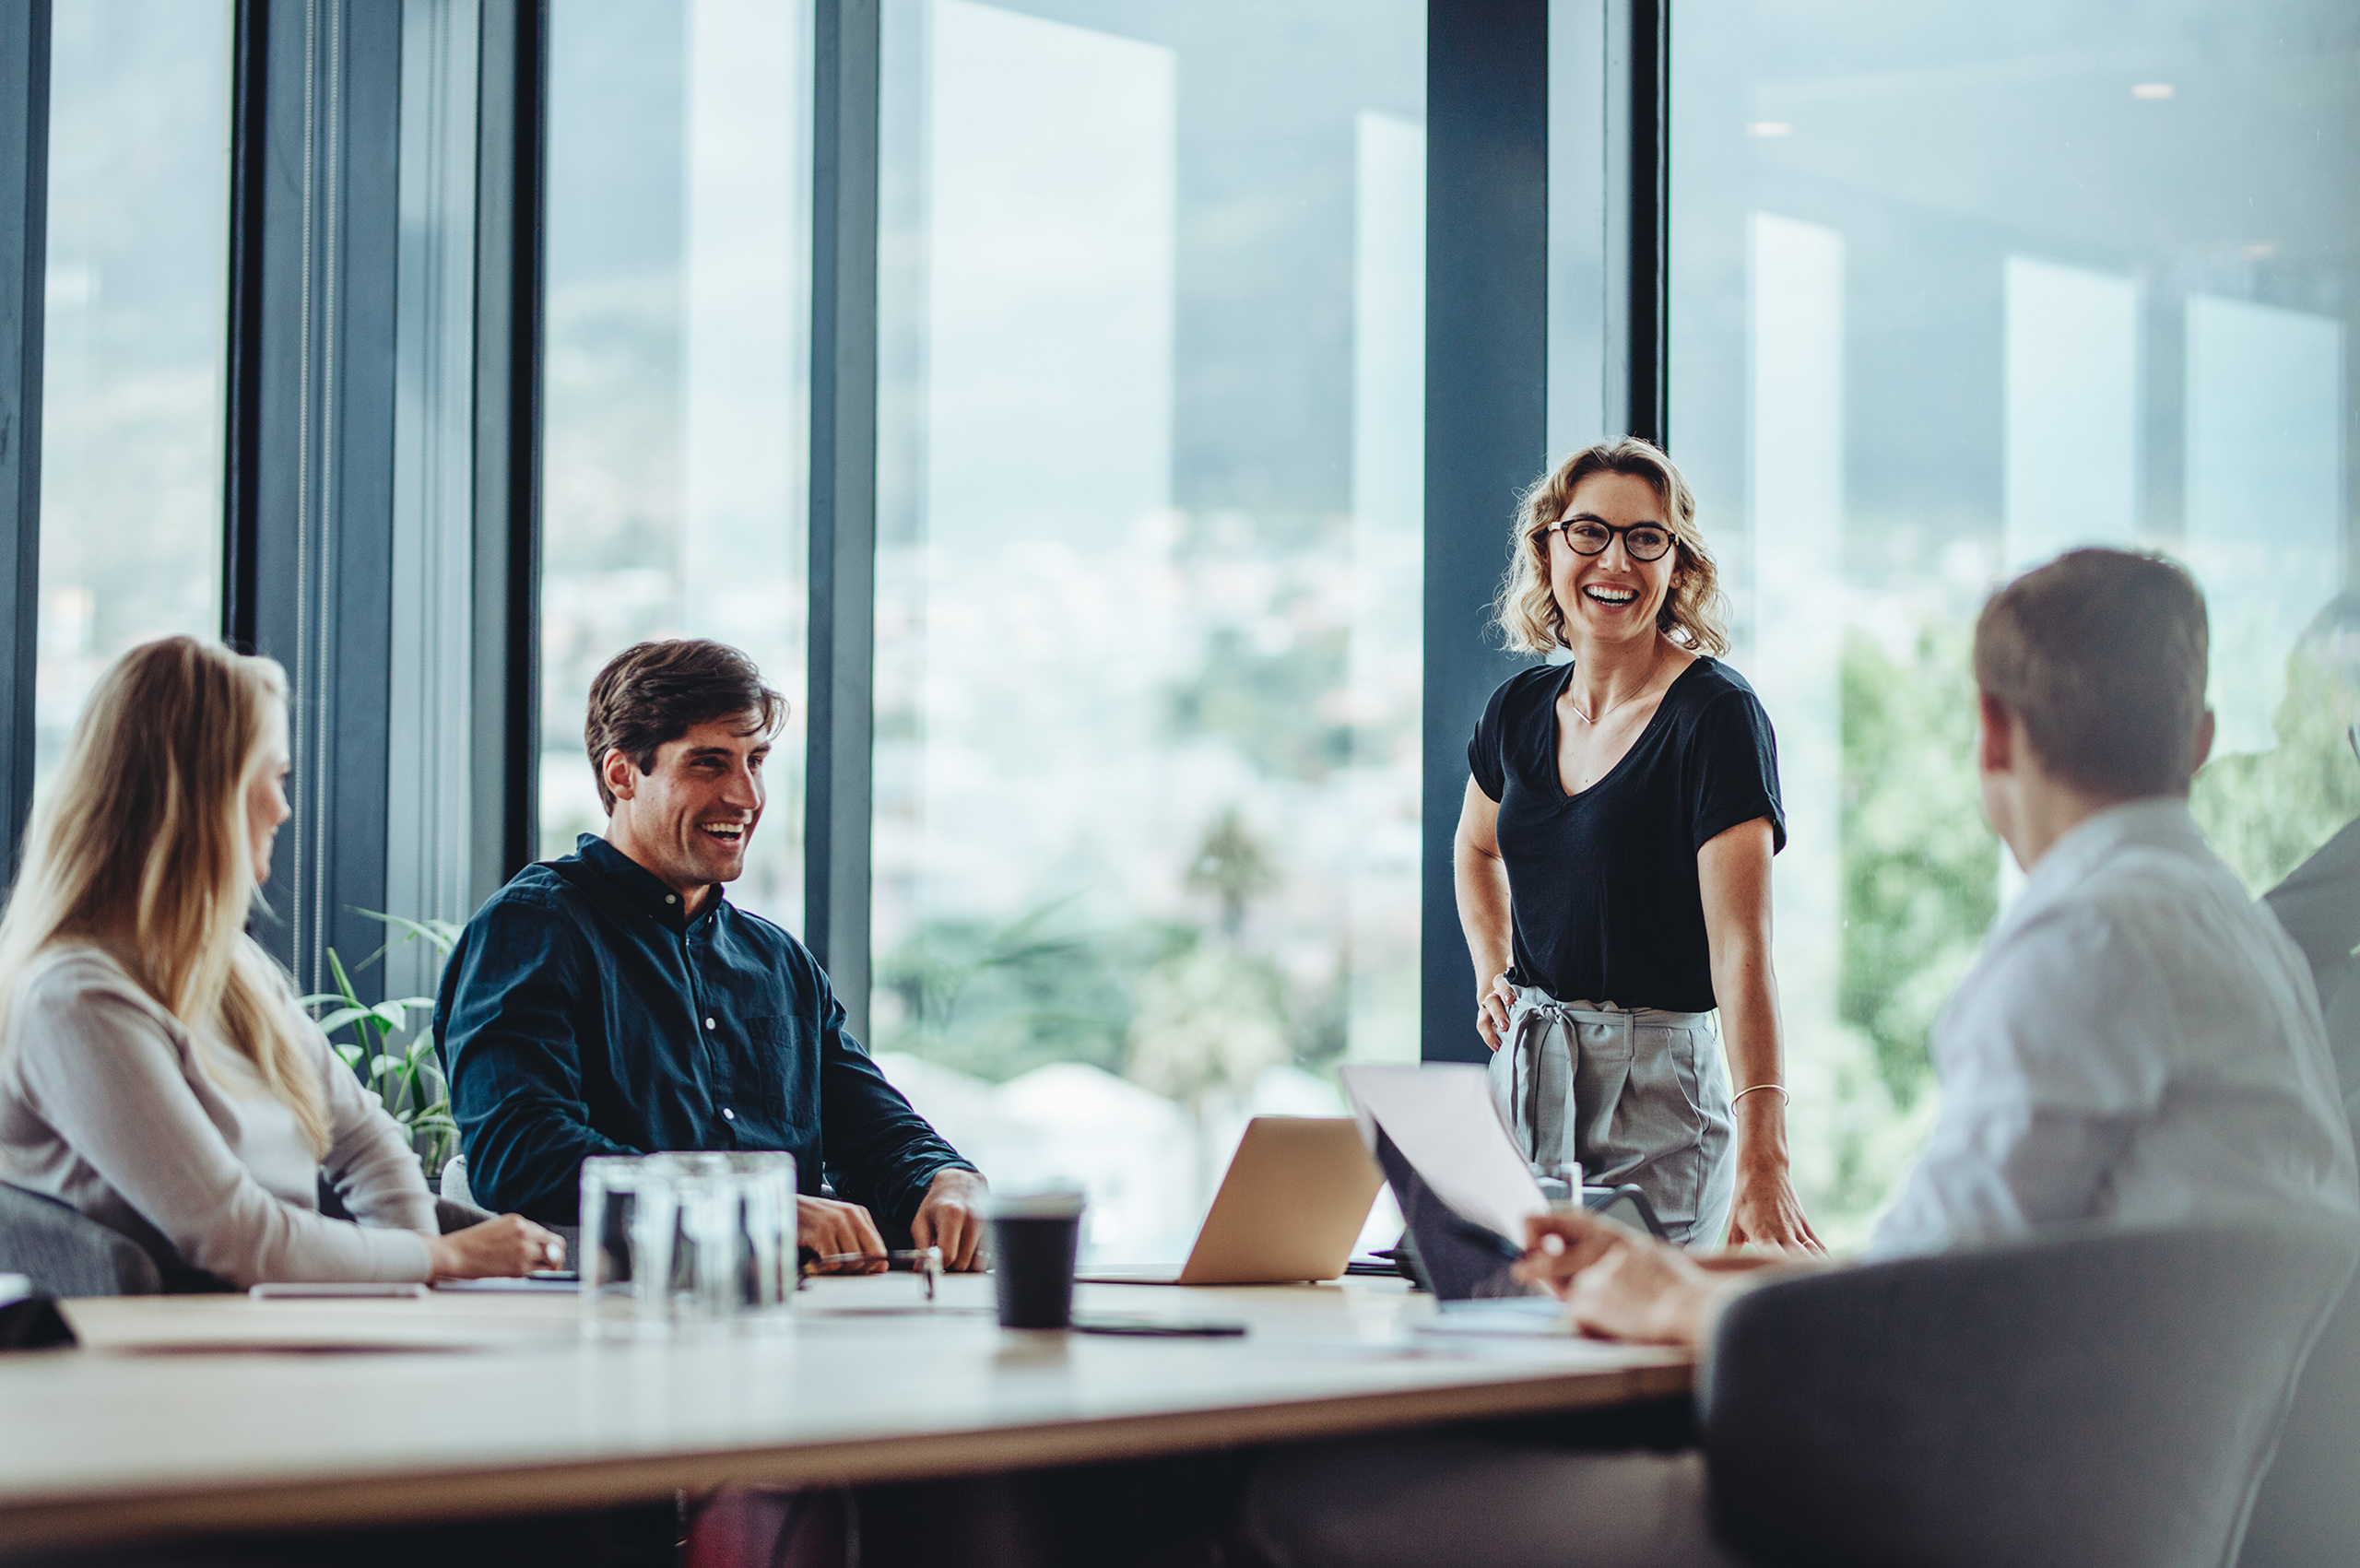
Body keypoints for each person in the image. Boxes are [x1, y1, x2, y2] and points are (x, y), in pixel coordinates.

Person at [1243, 548, 2360, 1568]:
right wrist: (1681, 1274)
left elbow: (1916, 1328)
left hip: (1904, 1518)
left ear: (1993, 734)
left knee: (1302, 1497)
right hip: (2103, 1515)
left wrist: (1674, 1304)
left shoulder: (2085, 942)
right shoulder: (2242, 943)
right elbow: (1970, 1267)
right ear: (2201, 740)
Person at [0, 638, 559, 1288]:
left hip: (274, 1322)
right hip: (167, 1357)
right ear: (208, 794)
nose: (284, 808)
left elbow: (364, 1139)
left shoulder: (228, 964)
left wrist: (412, 1281)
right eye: (276, 777)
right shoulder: (76, 1000)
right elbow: (235, 1235)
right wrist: (442, 1257)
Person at [438, 638, 988, 1268]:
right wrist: (749, 1203)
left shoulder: (778, 961)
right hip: (604, 1324)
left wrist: (947, 1177)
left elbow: (876, 1133)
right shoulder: (533, 927)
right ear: (622, 774)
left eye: (755, 761)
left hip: (792, 1322)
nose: (747, 796)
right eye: (709, 764)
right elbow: (521, 1154)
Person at [1458, 437, 1815, 1250]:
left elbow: (1743, 951)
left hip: (1657, 1093)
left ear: (1677, 564)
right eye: (1589, 531)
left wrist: (1767, 1155)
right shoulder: (1516, 710)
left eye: (1644, 537)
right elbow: (1476, 849)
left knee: (1636, 1357)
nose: (1613, 560)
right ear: (1548, 547)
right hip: (1525, 1076)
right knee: (1513, 1339)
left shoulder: (1715, 717)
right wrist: (1491, 969)